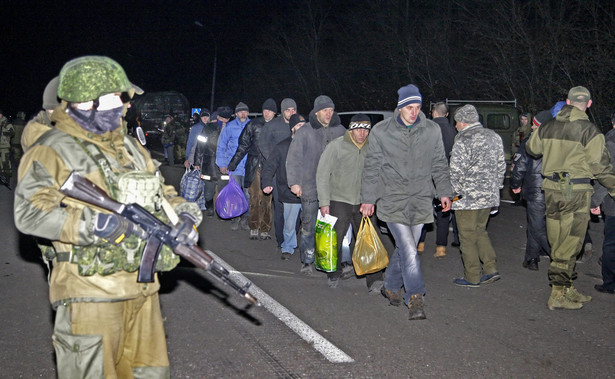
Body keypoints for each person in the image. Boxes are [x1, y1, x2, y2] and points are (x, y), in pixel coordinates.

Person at [13, 55, 202, 377]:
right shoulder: (52, 148)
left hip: (142, 290)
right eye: (117, 97)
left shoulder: (130, 147)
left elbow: (161, 192)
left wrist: (184, 214)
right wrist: (96, 225)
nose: (125, 105)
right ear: (87, 102)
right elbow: (29, 213)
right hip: (89, 293)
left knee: (151, 373)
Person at [360, 84, 452, 320]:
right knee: (410, 249)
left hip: (420, 199)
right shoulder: (381, 131)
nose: (414, 111)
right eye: (409, 107)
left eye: (418, 107)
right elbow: (372, 168)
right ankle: (415, 296)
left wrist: (444, 192)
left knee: (405, 250)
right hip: (392, 200)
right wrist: (368, 199)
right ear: (400, 107)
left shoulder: (431, 130)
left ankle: (390, 286)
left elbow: (440, 164)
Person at [527, 86, 615, 310]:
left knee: (558, 240)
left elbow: (532, 148)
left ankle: (566, 286)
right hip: (575, 191)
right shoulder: (588, 130)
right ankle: (557, 293)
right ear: (589, 103)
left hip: (552, 189)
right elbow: (600, 167)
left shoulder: (549, 125)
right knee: (571, 242)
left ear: (567, 101)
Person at [317, 114, 385, 291]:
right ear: (351, 129)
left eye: (366, 129)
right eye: (359, 129)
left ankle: (374, 279)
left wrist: (376, 198)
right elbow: (322, 174)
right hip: (339, 199)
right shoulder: (336, 146)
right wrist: (324, 201)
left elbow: (380, 174)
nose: (362, 133)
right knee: (335, 239)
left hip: (365, 201)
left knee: (369, 238)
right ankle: (334, 272)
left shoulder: (374, 147)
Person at [286, 95, 346, 275]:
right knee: (308, 225)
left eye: (331, 110)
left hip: (335, 188)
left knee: (338, 227)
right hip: (310, 187)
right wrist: (294, 182)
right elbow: (293, 158)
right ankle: (307, 259)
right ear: (317, 112)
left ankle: (336, 259)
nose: (328, 114)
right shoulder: (305, 131)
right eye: (325, 110)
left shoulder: (341, 131)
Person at [449, 104, 505, 288]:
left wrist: (453, 197)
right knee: (480, 230)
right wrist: (497, 189)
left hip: (467, 199)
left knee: (466, 236)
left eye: (457, 122)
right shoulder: (494, 137)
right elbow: (501, 166)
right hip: (488, 197)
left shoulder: (463, 140)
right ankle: (491, 269)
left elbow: (455, 173)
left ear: (464, 122)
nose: (456, 125)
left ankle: (472, 276)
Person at [228, 98, 276, 240]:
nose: (267, 113)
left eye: (270, 111)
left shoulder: (278, 126)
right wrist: (233, 163)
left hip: (271, 168)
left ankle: (265, 228)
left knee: (267, 200)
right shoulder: (253, 124)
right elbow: (243, 146)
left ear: (275, 112)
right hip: (255, 166)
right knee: (254, 197)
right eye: (265, 110)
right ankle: (254, 226)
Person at [510, 110, 552, 271]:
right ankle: (531, 258)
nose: (532, 126)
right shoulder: (557, 141)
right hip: (553, 188)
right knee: (537, 225)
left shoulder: (531, 141)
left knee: (537, 227)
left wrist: (515, 185)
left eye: (534, 123)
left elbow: (519, 166)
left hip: (536, 190)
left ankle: (559, 259)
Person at [262, 113, 306, 259]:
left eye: (304, 125)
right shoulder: (282, 147)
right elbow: (270, 166)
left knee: (307, 224)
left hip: (309, 192)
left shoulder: (312, 145)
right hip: (289, 192)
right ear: (292, 127)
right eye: (299, 125)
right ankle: (288, 246)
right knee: (289, 224)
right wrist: (267, 182)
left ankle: (307, 252)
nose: (302, 128)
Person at [418, 101, 458, 258]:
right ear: (447, 114)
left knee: (423, 208)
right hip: (446, 175)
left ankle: (420, 243)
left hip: (427, 175)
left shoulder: (426, 129)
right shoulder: (453, 131)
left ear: (433, 112)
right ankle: (441, 247)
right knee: (444, 210)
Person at [260, 98, 298, 247]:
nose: (291, 112)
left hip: (295, 173)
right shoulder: (273, 125)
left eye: (293, 110)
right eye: (288, 110)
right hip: (277, 173)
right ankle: (281, 239)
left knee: (295, 208)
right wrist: (272, 159)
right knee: (280, 207)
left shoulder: (300, 125)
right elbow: (262, 142)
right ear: (283, 111)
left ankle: (292, 237)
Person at [591, 110, 615, 295]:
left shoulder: (610, 143)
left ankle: (610, 283)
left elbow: (604, 175)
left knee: (611, 245)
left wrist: (595, 201)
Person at [217, 102, 251, 231]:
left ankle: (245, 218)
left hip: (248, 167)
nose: (243, 114)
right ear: (236, 114)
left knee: (248, 194)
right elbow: (221, 145)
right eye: (240, 112)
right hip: (234, 167)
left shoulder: (252, 125)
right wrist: (222, 164)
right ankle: (235, 217)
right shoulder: (229, 127)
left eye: (245, 111)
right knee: (235, 193)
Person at [193, 108, 229, 217]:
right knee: (223, 189)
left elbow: (199, 147)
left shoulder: (206, 129)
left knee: (208, 189)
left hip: (208, 164)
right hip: (223, 165)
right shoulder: (227, 129)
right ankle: (220, 210)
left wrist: (197, 162)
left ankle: (210, 208)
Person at [0, 109, 15, 181]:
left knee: (5, 161)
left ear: (1, 115)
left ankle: (7, 176)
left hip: (4, 146)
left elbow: (12, 133)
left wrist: (3, 133)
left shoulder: (6, 123)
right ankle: (2, 176)